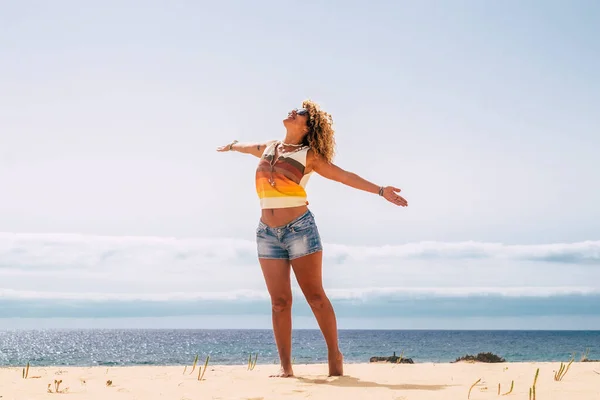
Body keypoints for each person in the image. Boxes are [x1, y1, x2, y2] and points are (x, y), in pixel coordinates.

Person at [216, 99, 408, 378]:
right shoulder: (268, 146)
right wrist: (232, 145)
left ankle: (334, 354)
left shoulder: (309, 156)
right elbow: (247, 147)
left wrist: (380, 190)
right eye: (295, 109)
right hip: (266, 233)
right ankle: (286, 367)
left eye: (301, 113)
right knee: (279, 302)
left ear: (308, 127)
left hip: (299, 230)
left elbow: (343, 176)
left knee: (315, 297)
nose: (293, 112)